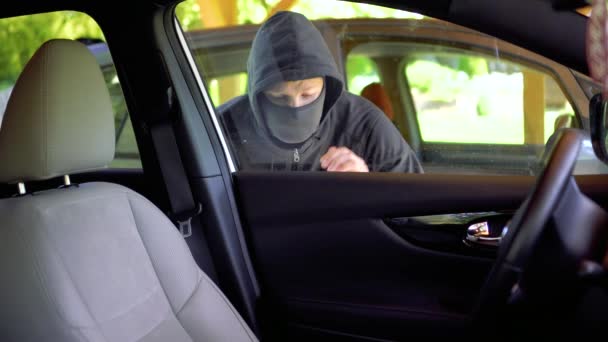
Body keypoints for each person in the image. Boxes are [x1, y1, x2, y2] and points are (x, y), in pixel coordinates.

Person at [218, 11, 423, 173]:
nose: (296, 107)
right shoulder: (223, 127)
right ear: (258, 94)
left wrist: (366, 181)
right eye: (279, 97)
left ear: (327, 85)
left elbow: (415, 206)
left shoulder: (365, 124)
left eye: (308, 95)